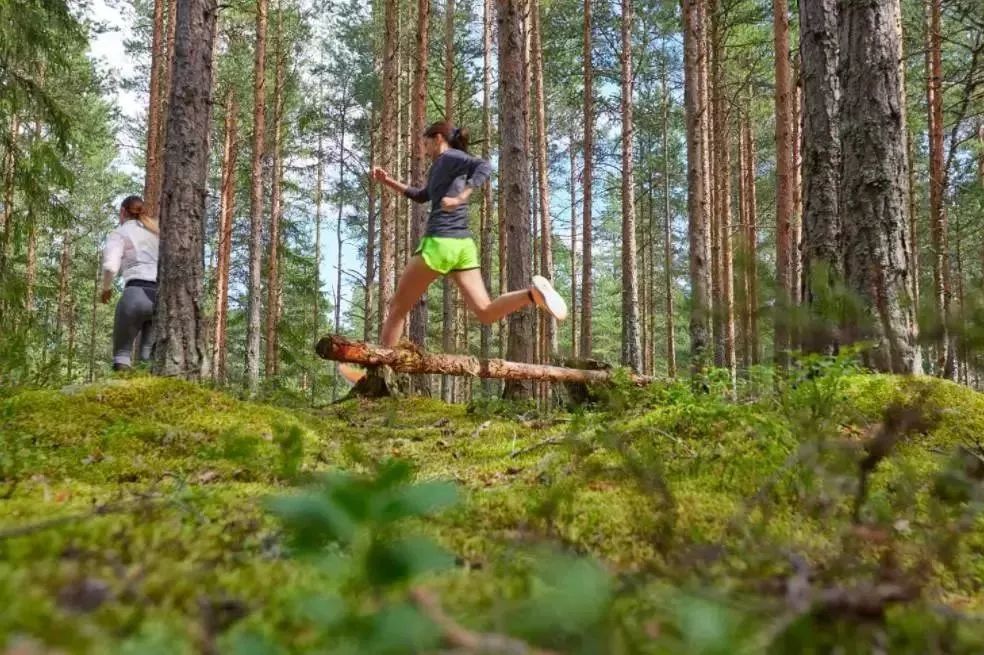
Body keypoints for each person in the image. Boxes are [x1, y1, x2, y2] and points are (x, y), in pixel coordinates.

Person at [340, 121, 567, 383]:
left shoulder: (449, 158)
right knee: (485, 311)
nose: (423, 149)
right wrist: (387, 180)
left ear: (437, 139)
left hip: (439, 243)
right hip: (462, 246)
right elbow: (421, 195)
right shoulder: (442, 167)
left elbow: (484, 165)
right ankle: (532, 294)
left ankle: (377, 376)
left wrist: (461, 199)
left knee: (397, 308)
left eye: (425, 144)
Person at [101, 195, 160, 371]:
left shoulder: (120, 232)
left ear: (122, 212)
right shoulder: (155, 232)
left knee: (122, 353)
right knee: (147, 358)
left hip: (134, 295)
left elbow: (111, 266)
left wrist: (106, 289)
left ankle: (119, 394)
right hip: (158, 298)